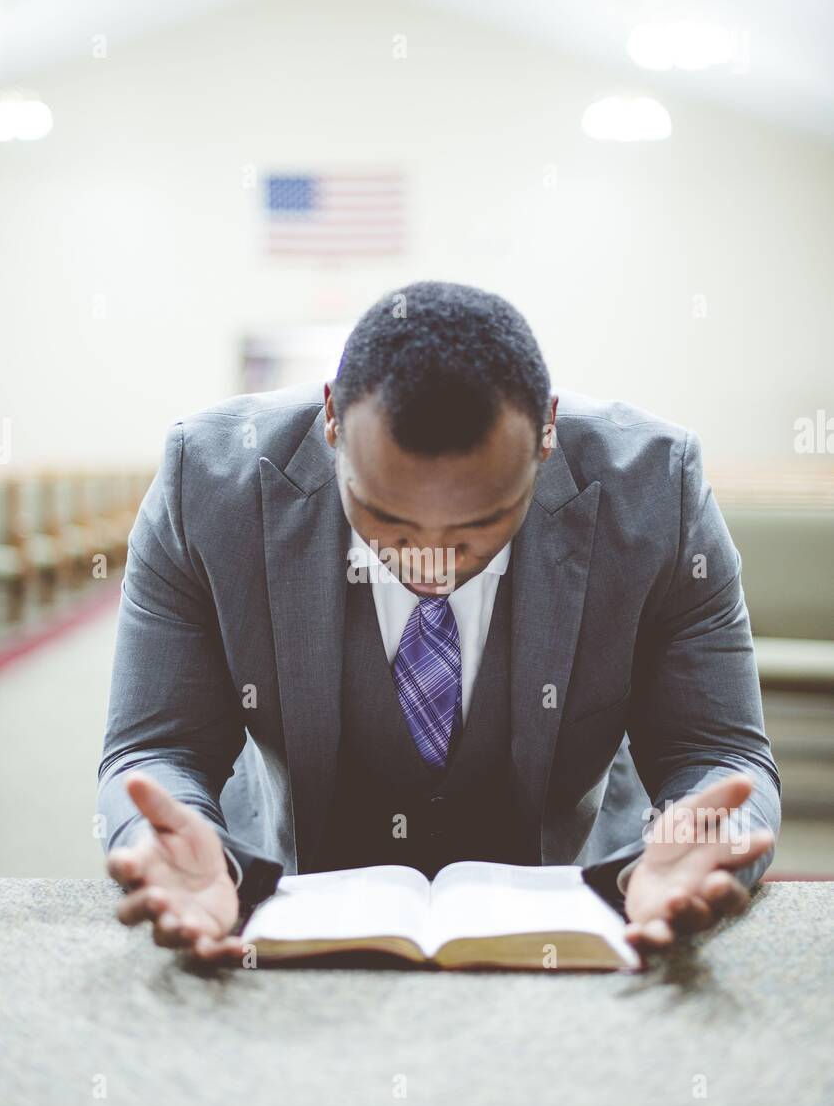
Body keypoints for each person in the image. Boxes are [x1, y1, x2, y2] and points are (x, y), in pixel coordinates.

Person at [99, 280, 779, 963]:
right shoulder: (209, 483)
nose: (429, 558)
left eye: (483, 521)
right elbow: (158, 747)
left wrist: (706, 842)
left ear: (546, 430)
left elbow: (719, 753)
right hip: (288, 913)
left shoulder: (658, 487)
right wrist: (171, 846)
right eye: (384, 516)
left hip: (582, 918)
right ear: (330, 420)